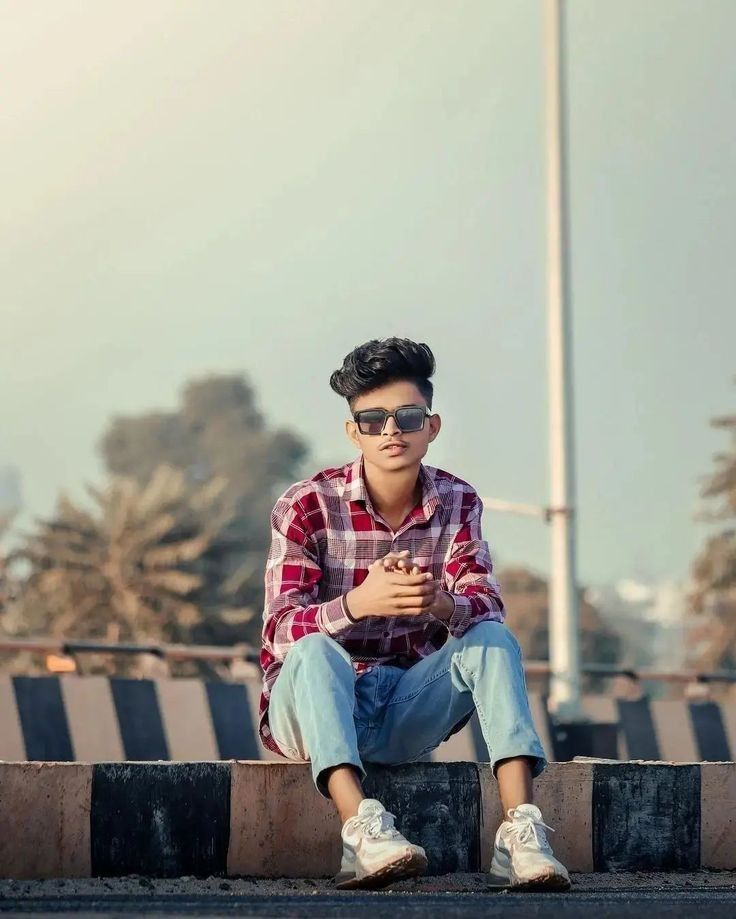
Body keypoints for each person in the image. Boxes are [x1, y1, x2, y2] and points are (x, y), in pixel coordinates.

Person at [259, 337, 570, 891]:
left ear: (432, 425)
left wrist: (439, 603)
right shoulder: (307, 505)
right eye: (373, 420)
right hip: (310, 710)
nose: (391, 431)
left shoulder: (458, 502)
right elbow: (279, 633)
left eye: (406, 416)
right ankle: (362, 829)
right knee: (313, 650)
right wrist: (359, 604)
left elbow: (485, 604)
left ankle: (520, 833)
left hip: (404, 709)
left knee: (492, 637)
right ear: (353, 432)